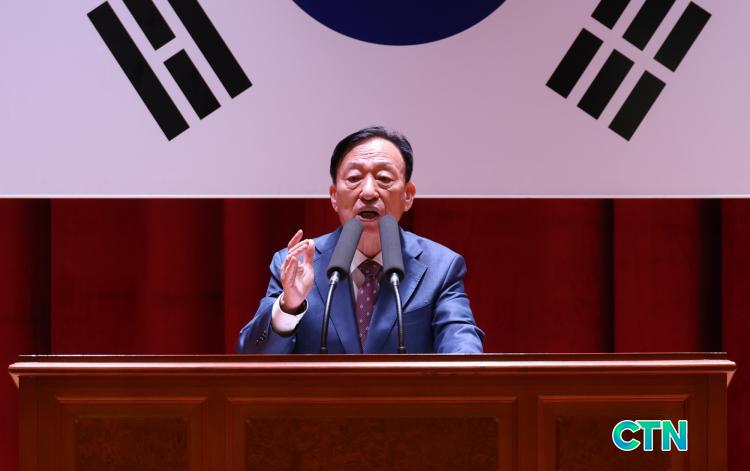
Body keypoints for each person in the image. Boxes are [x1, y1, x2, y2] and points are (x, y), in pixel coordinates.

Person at [237, 126, 484, 353]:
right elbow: (253, 357)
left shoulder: (441, 267)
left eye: (384, 179)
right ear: (334, 196)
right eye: (354, 179)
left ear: (408, 196)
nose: (368, 192)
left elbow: (463, 349)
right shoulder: (296, 263)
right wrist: (289, 306)